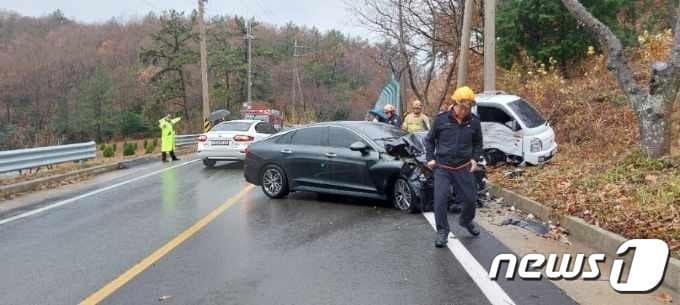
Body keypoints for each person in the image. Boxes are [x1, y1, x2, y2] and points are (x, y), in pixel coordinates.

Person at [425, 86, 483, 248]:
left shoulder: (474, 122)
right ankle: (442, 231)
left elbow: (478, 143)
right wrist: (430, 158)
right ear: (455, 104)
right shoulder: (441, 120)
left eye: (469, 108)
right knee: (440, 200)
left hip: (464, 167)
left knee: (471, 200)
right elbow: (429, 140)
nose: (465, 111)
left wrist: (475, 159)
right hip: (442, 167)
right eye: (463, 107)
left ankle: (465, 221)